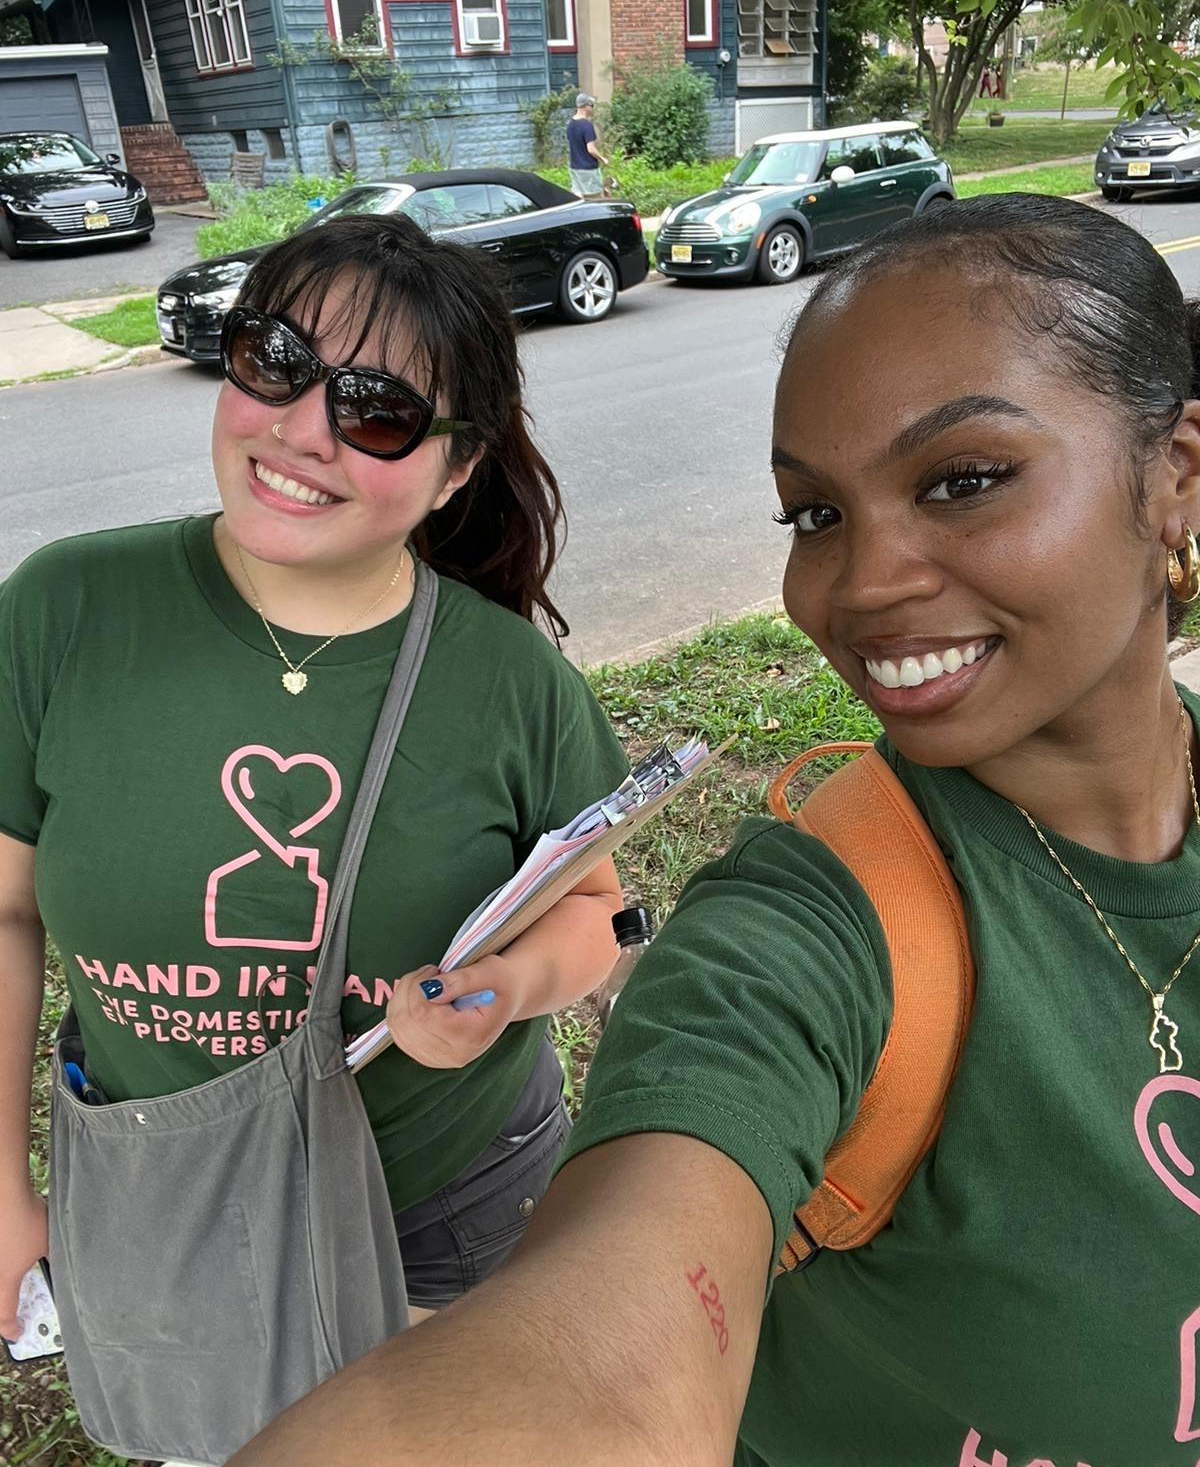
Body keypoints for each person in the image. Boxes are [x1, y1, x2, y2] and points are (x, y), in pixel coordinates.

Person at [232, 193, 1200, 1467]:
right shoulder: (809, 928)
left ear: (1178, 475)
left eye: (964, 481)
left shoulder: (504, 679)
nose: (857, 585)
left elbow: (584, 910)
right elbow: (601, 1348)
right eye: (815, 514)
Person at [0, 215, 629, 1381]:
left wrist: (505, 988)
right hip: (173, 1201)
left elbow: (600, 910)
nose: (299, 431)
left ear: (457, 466)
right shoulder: (64, 610)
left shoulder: (508, 680)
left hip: (448, 1215)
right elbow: (2, 912)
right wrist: (0, 1189)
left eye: (378, 408)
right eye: (276, 362)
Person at [566, 92, 609, 198]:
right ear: (586, 106)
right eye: (592, 106)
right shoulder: (587, 125)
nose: (592, 109)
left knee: (578, 197)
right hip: (588, 169)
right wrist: (603, 159)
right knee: (597, 197)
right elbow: (591, 149)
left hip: (574, 168)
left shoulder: (570, 124)